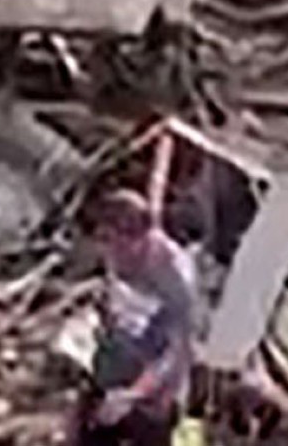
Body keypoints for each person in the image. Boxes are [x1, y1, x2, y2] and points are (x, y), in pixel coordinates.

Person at [74, 191, 197, 446]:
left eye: (111, 241)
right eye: (102, 241)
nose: (107, 251)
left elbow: (174, 352)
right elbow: (114, 304)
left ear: (138, 238)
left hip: (153, 395)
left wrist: (134, 395)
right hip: (113, 368)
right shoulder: (118, 259)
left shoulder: (171, 279)